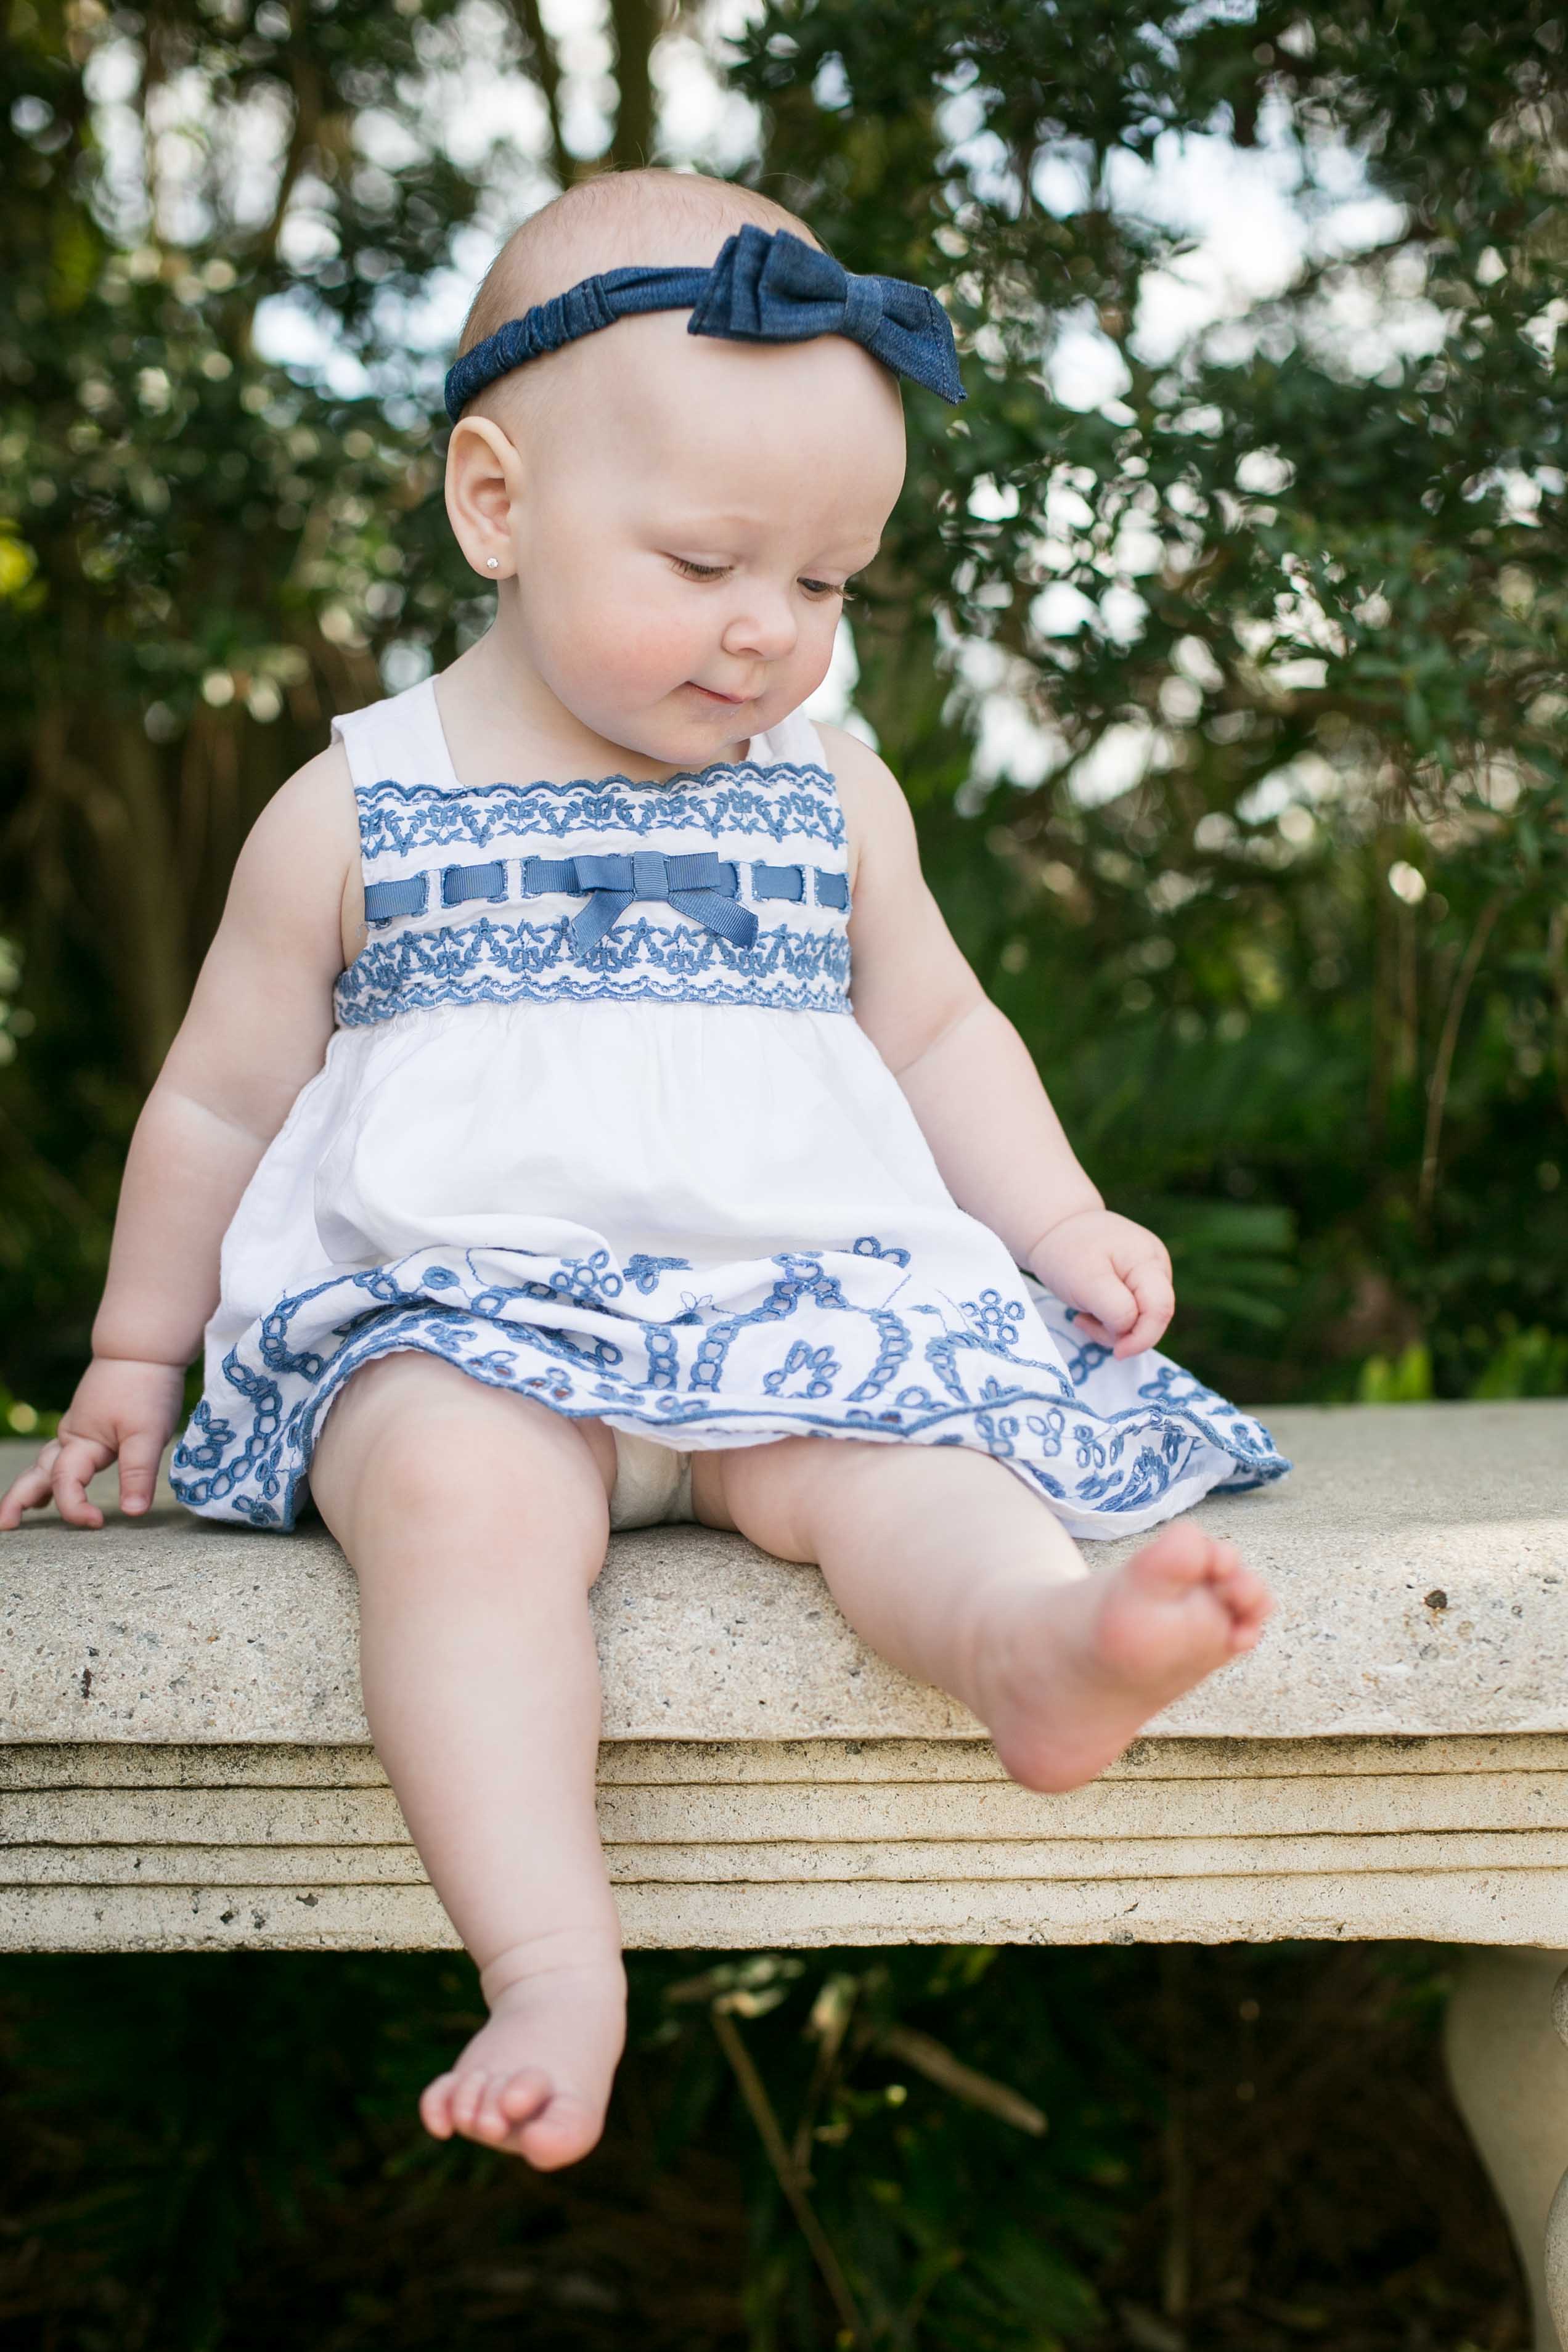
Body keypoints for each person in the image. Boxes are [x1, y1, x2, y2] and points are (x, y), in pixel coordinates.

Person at [0, 169, 1286, 2170]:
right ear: (494, 504)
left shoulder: (832, 797)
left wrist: (1056, 1220)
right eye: (702, 560)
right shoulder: (360, 805)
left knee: (919, 1465)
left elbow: (941, 1032)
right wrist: (134, 1361)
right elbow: (217, 1106)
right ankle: (547, 1960)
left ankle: (1034, 1649)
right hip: (469, 1324)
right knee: (455, 1500)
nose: (770, 629)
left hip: (793, 1314)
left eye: (829, 582)